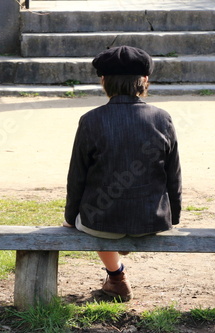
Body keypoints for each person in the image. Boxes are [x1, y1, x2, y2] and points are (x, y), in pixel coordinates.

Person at [63, 45, 182, 302]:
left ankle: (116, 277)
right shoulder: (162, 118)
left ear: (103, 81)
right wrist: (175, 215)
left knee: (95, 218)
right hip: (152, 220)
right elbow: (173, 173)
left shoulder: (91, 120)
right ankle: (116, 276)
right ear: (145, 81)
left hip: (101, 221)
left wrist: (70, 217)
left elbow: (77, 176)